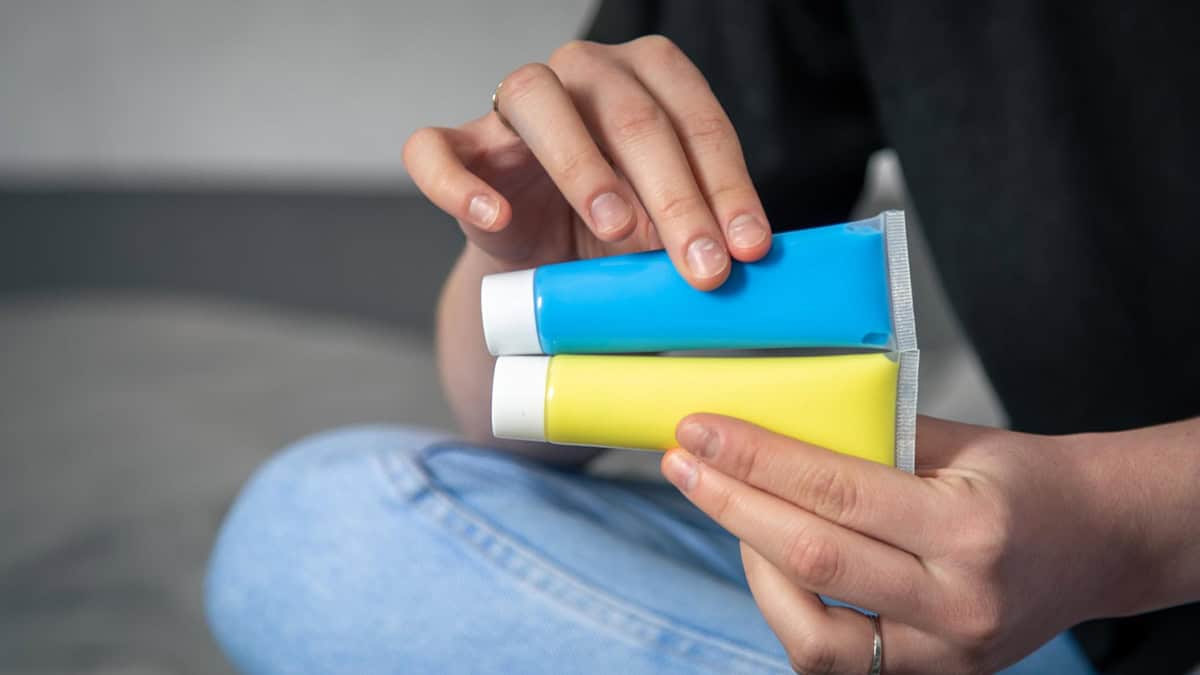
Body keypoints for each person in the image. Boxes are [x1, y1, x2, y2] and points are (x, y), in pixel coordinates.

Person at [205, 2, 1200, 673]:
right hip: (1055, 629)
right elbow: (498, 421)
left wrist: (1120, 525)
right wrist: (529, 272)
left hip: (1082, 583)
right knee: (322, 530)